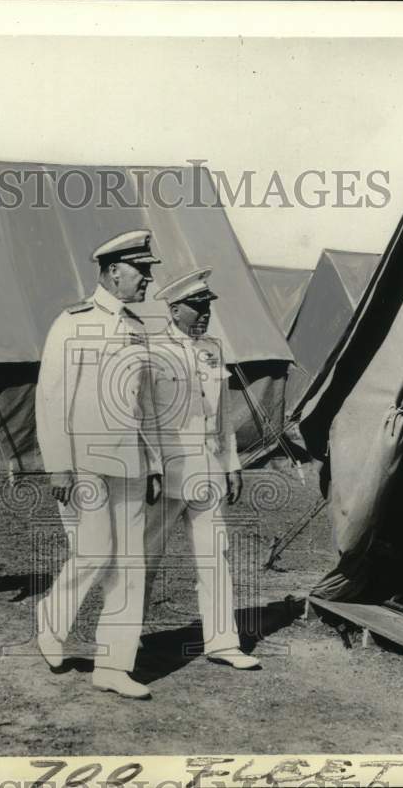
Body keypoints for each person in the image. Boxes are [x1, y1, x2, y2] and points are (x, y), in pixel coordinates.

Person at [35, 229, 164, 699]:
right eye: (141, 270)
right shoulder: (72, 322)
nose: (148, 279)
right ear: (113, 272)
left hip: (129, 461)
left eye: (148, 271)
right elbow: (51, 398)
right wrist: (57, 465)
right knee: (93, 552)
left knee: (130, 563)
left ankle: (113, 666)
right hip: (85, 460)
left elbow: (144, 404)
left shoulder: (136, 327)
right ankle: (51, 620)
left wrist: (153, 463)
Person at [145, 268, 260, 669]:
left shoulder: (212, 349)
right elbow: (144, 416)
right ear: (175, 310)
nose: (205, 313)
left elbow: (223, 415)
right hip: (166, 473)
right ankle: (126, 636)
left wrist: (232, 464)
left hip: (208, 471)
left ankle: (223, 643)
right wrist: (150, 468)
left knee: (215, 555)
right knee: (144, 557)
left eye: (208, 305)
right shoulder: (153, 349)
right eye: (196, 306)